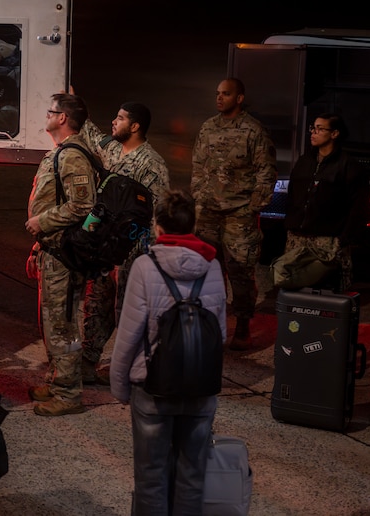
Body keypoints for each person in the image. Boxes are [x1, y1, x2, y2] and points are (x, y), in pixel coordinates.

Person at [109, 190, 228, 515]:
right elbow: (220, 333)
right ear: (192, 227)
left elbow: (129, 334)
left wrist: (120, 387)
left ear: (158, 227)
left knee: (151, 478)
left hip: (153, 390)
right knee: (192, 478)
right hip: (200, 390)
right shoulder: (213, 266)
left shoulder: (146, 267)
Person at [79, 101, 171, 384]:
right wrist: (73, 98)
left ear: (135, 126)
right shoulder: (111, 150)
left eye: (119, 118)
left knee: (128, 312)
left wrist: (146, 258)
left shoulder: (152, 164)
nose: (113, 122)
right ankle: (88, 361)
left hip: (132, 251)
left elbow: (157, 214)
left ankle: (132, 368)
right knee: (95, 303)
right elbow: (90, 132)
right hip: (104, 246)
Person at [24, 92, 98, 415]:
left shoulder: (72, 156)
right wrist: (39, 243)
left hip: (65, 258)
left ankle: (69, 394)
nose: (47, 116)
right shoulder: (61, 153)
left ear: (63, 118)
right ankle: (58, 381)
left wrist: (42, 222)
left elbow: (84, 205)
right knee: (52, 322)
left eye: (51, 112)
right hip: (52, 250)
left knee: (63, 324)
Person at [191, 78, 276, 351]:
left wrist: (254, 207)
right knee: (206, 269)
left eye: (225, 94)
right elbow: (197, 164)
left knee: (240, 269)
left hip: (239, 213)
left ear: (239, 98)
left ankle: (242, 327)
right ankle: (208, 323)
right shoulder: (208, 127)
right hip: (208, 213)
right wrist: (198, 195)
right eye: (217, 94)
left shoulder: (253, 131)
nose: (219, 98)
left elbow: (266, 171)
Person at [282, 113, 370, 292]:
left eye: (320, 129)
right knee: (293, 290)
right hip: (297, 239)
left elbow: (359, 207)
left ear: (334, 134)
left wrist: (343, 239)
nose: (314, 133)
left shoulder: (348, 166)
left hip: (328, 241)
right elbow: (293, 195)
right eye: (313, 128)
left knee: (327, 292)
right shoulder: (305, 161)